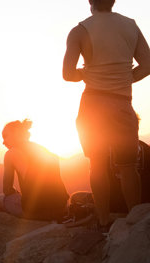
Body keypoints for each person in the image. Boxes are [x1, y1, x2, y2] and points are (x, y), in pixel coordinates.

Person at [63, 0, 150, 230]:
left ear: (90, 2)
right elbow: (148, 64)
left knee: (98, 165)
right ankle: (135, 222)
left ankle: (103, 221)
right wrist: (125, 77)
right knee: (128, 166)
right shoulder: (131, 25)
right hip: (122, 103)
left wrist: (85, 72)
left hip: (93, 104)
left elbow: (68, 74)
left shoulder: (79, 30)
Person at [0, 120, 69, 221]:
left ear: (16, 134)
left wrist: (18, 194)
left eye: (5, 136)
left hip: (37, 212)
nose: (3, 142)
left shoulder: (10, 154)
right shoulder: (41, 149)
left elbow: (7, 190)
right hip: (62, 208)